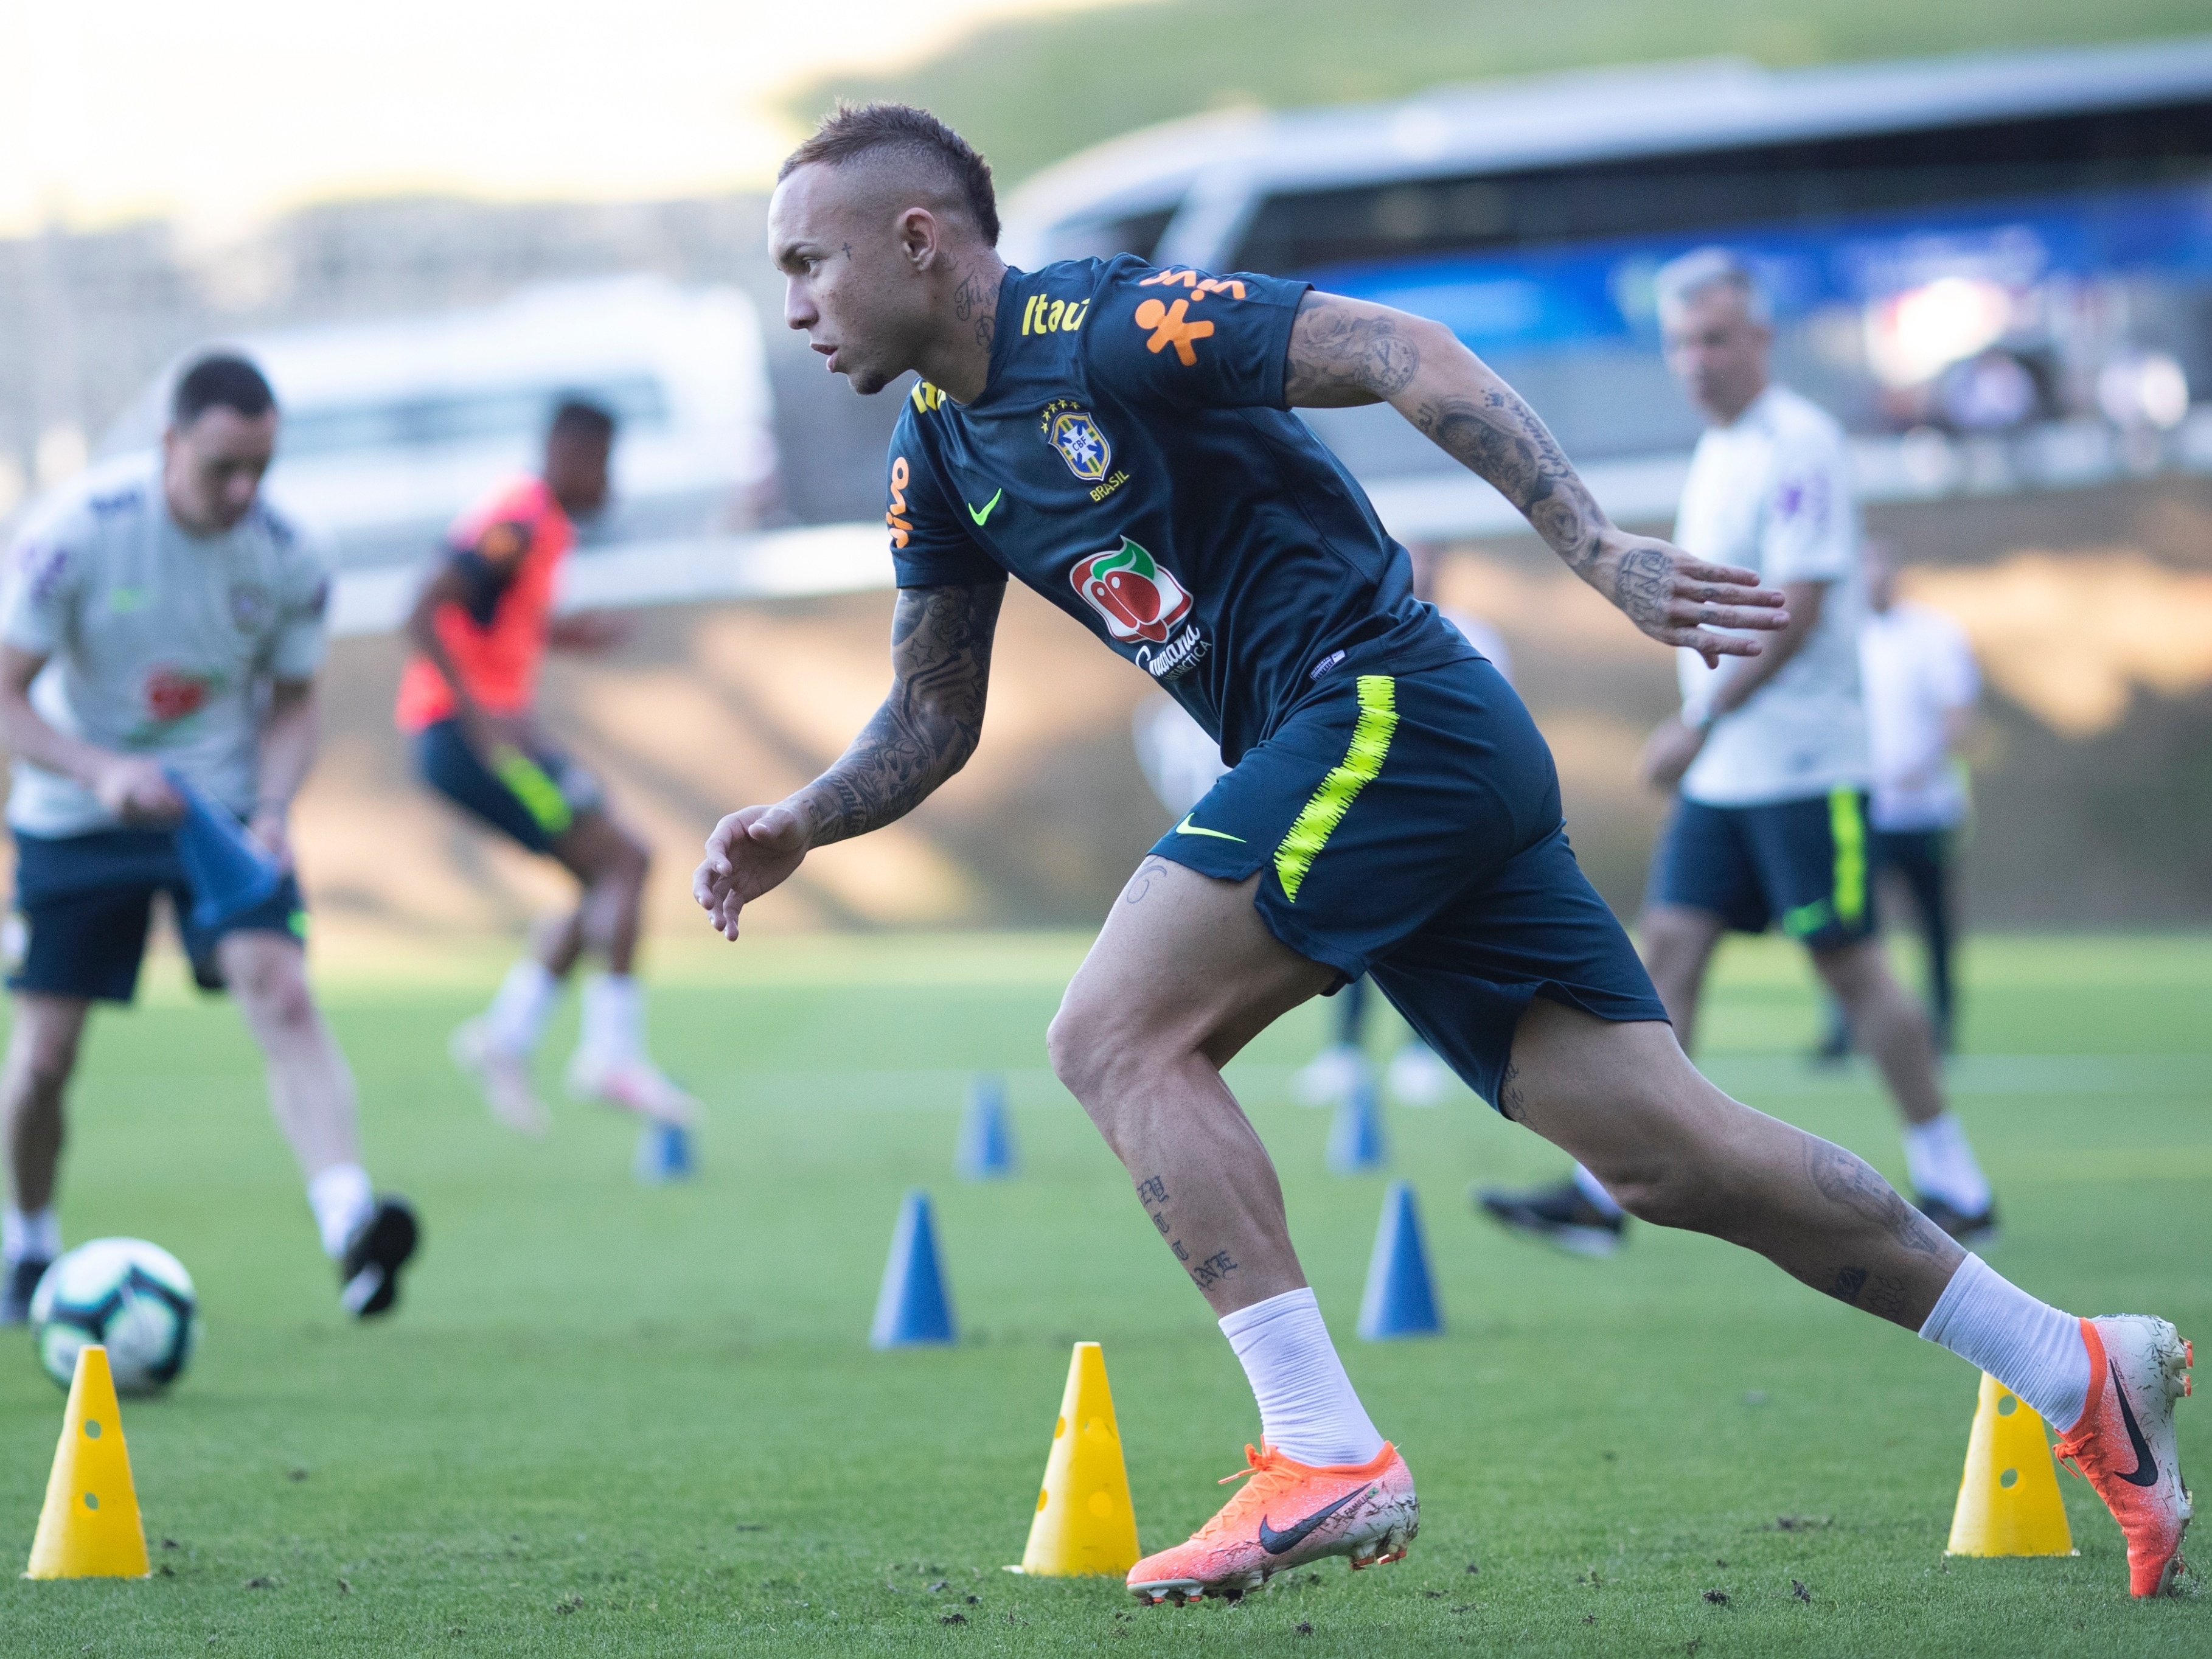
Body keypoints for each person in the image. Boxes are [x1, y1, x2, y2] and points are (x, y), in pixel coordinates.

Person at [698, 108, 2190, 1602]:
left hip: (1379, 707)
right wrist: (804, 818)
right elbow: (930, 712)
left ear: (918, 239)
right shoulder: (936, 455)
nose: (795, 306)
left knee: (1111, 1031)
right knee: (1666, 1153)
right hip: (1393, 752)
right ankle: (2071, 1362)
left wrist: (1598, 548)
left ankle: (1325, 1449)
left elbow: (1403, 349)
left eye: (808, 263)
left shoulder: (1107, 320)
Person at [1479, 251, 1999, 1255]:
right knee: (1665, 950)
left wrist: (1697, 722)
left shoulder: (1796, 442)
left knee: (1848, 963)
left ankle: (1954, 1178)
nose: (1696, 359)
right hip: (1728, 774)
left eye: (1715, 338)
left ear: (1759, 340)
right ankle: (1602, 1192)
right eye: (1681, 341)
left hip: (1802, 763)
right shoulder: (1719, 450)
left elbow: (1796, 609)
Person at [0, 353, 419, 1321]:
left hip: (220, 812)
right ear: (169, 445)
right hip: (77, 814)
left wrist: (273, 806)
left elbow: (295, 702)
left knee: (283, 991)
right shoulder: (78, 535)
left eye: (259, 469)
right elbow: (7, 694)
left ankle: (350, 1226)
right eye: (222, 467)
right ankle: (27, 1243)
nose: (242, 491)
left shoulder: (290, 552)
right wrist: (101, 770)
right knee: (47, 1059)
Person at [397, 400, 697, 1137]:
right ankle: (611, 1056)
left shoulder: (541, 527)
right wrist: (477, 715)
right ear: (570, 454)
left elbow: (493, 621)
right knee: (626, 861)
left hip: (482, 737)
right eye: (603, 463)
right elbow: (422, 608)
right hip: (471, 740)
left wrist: (566, 635)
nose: (608, 481)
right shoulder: (520, 520)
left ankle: (507, 1037)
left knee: (601, 877)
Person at [1292, 540, 1509, 1111]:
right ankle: (1345, 1053)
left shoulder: (1474, 634)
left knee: (1435, 934)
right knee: (1352, 928)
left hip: (1441, 809)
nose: (1421, 569)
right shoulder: (1358, 631)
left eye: (1431, 557)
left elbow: (1491, 720)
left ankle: (1424, 1053)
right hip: (1372, 808)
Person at [1813, 537, 1978, 1059]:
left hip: (1924, 808)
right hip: (1859, 807)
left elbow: (1958, 714)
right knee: (1850, 923)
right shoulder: (1841, 638)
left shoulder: (1933, 634)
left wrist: (1921, 764)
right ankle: (1843, 1029)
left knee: (1932, 921)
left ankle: (1943, 1026)